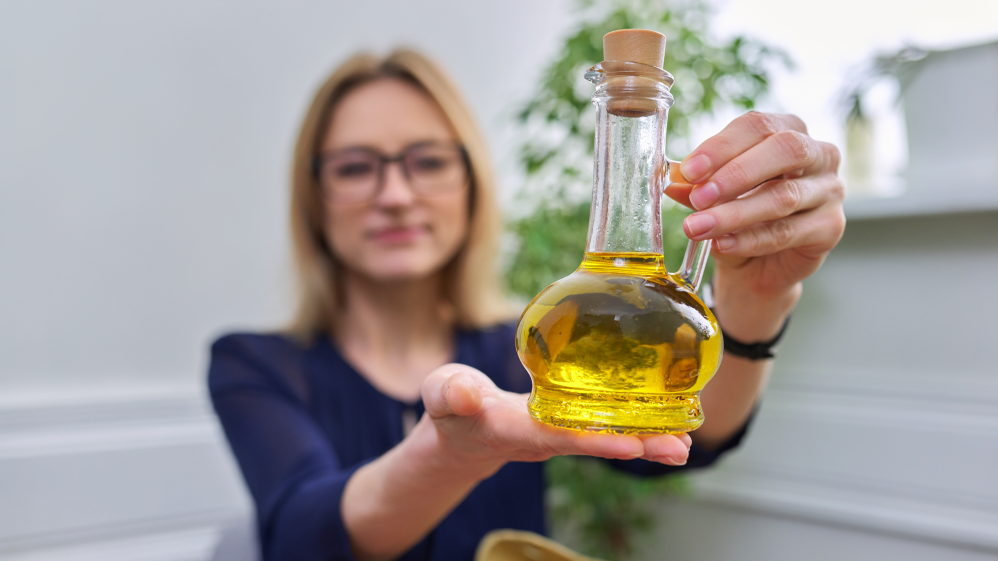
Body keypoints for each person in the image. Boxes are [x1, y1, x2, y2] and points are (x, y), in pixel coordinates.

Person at [208, 49, 845, 561]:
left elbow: (685, 438)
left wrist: (757, 298)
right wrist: (453, 452)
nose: (395, 194)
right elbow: (298, 533)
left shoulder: (539, 340)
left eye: (426, 161)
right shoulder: (254, 365)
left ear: (471, 185)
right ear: (313, 194)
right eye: (354, 168)